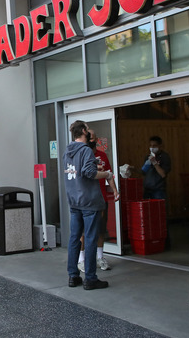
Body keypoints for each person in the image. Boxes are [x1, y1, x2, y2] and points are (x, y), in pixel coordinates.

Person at [63, 120, 113, 290]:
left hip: (74, 199)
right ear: (84, 131)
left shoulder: (67, 151)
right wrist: (106, 173)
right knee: (90, 238)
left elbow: (76, 172)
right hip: (88, 201)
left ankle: (73, 276)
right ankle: (90, 278)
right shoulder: (85, 150)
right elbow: (89, 173)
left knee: (75, 238)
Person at [78, 130, 119, 273]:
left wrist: (114, 190)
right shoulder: (81, 155)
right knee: (84, 230)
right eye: (90, 137)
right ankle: (81, 259)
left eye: (94, 137)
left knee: (101, 228)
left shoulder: (102, 155)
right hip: (86, 199)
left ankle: (100, 257)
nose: (92, 139)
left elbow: (109, 174)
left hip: (100, 197)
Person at [142, 135, 171, 200]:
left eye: (154, 146)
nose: (152, 147)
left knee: (158, 209)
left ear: (160, 146)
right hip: (147, 190)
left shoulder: (164, 157)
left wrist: (154, 163)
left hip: (158, 190)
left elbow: (163, 174)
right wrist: (131, 168)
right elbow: (143, 172)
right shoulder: (148, 157)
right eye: (150, 145)